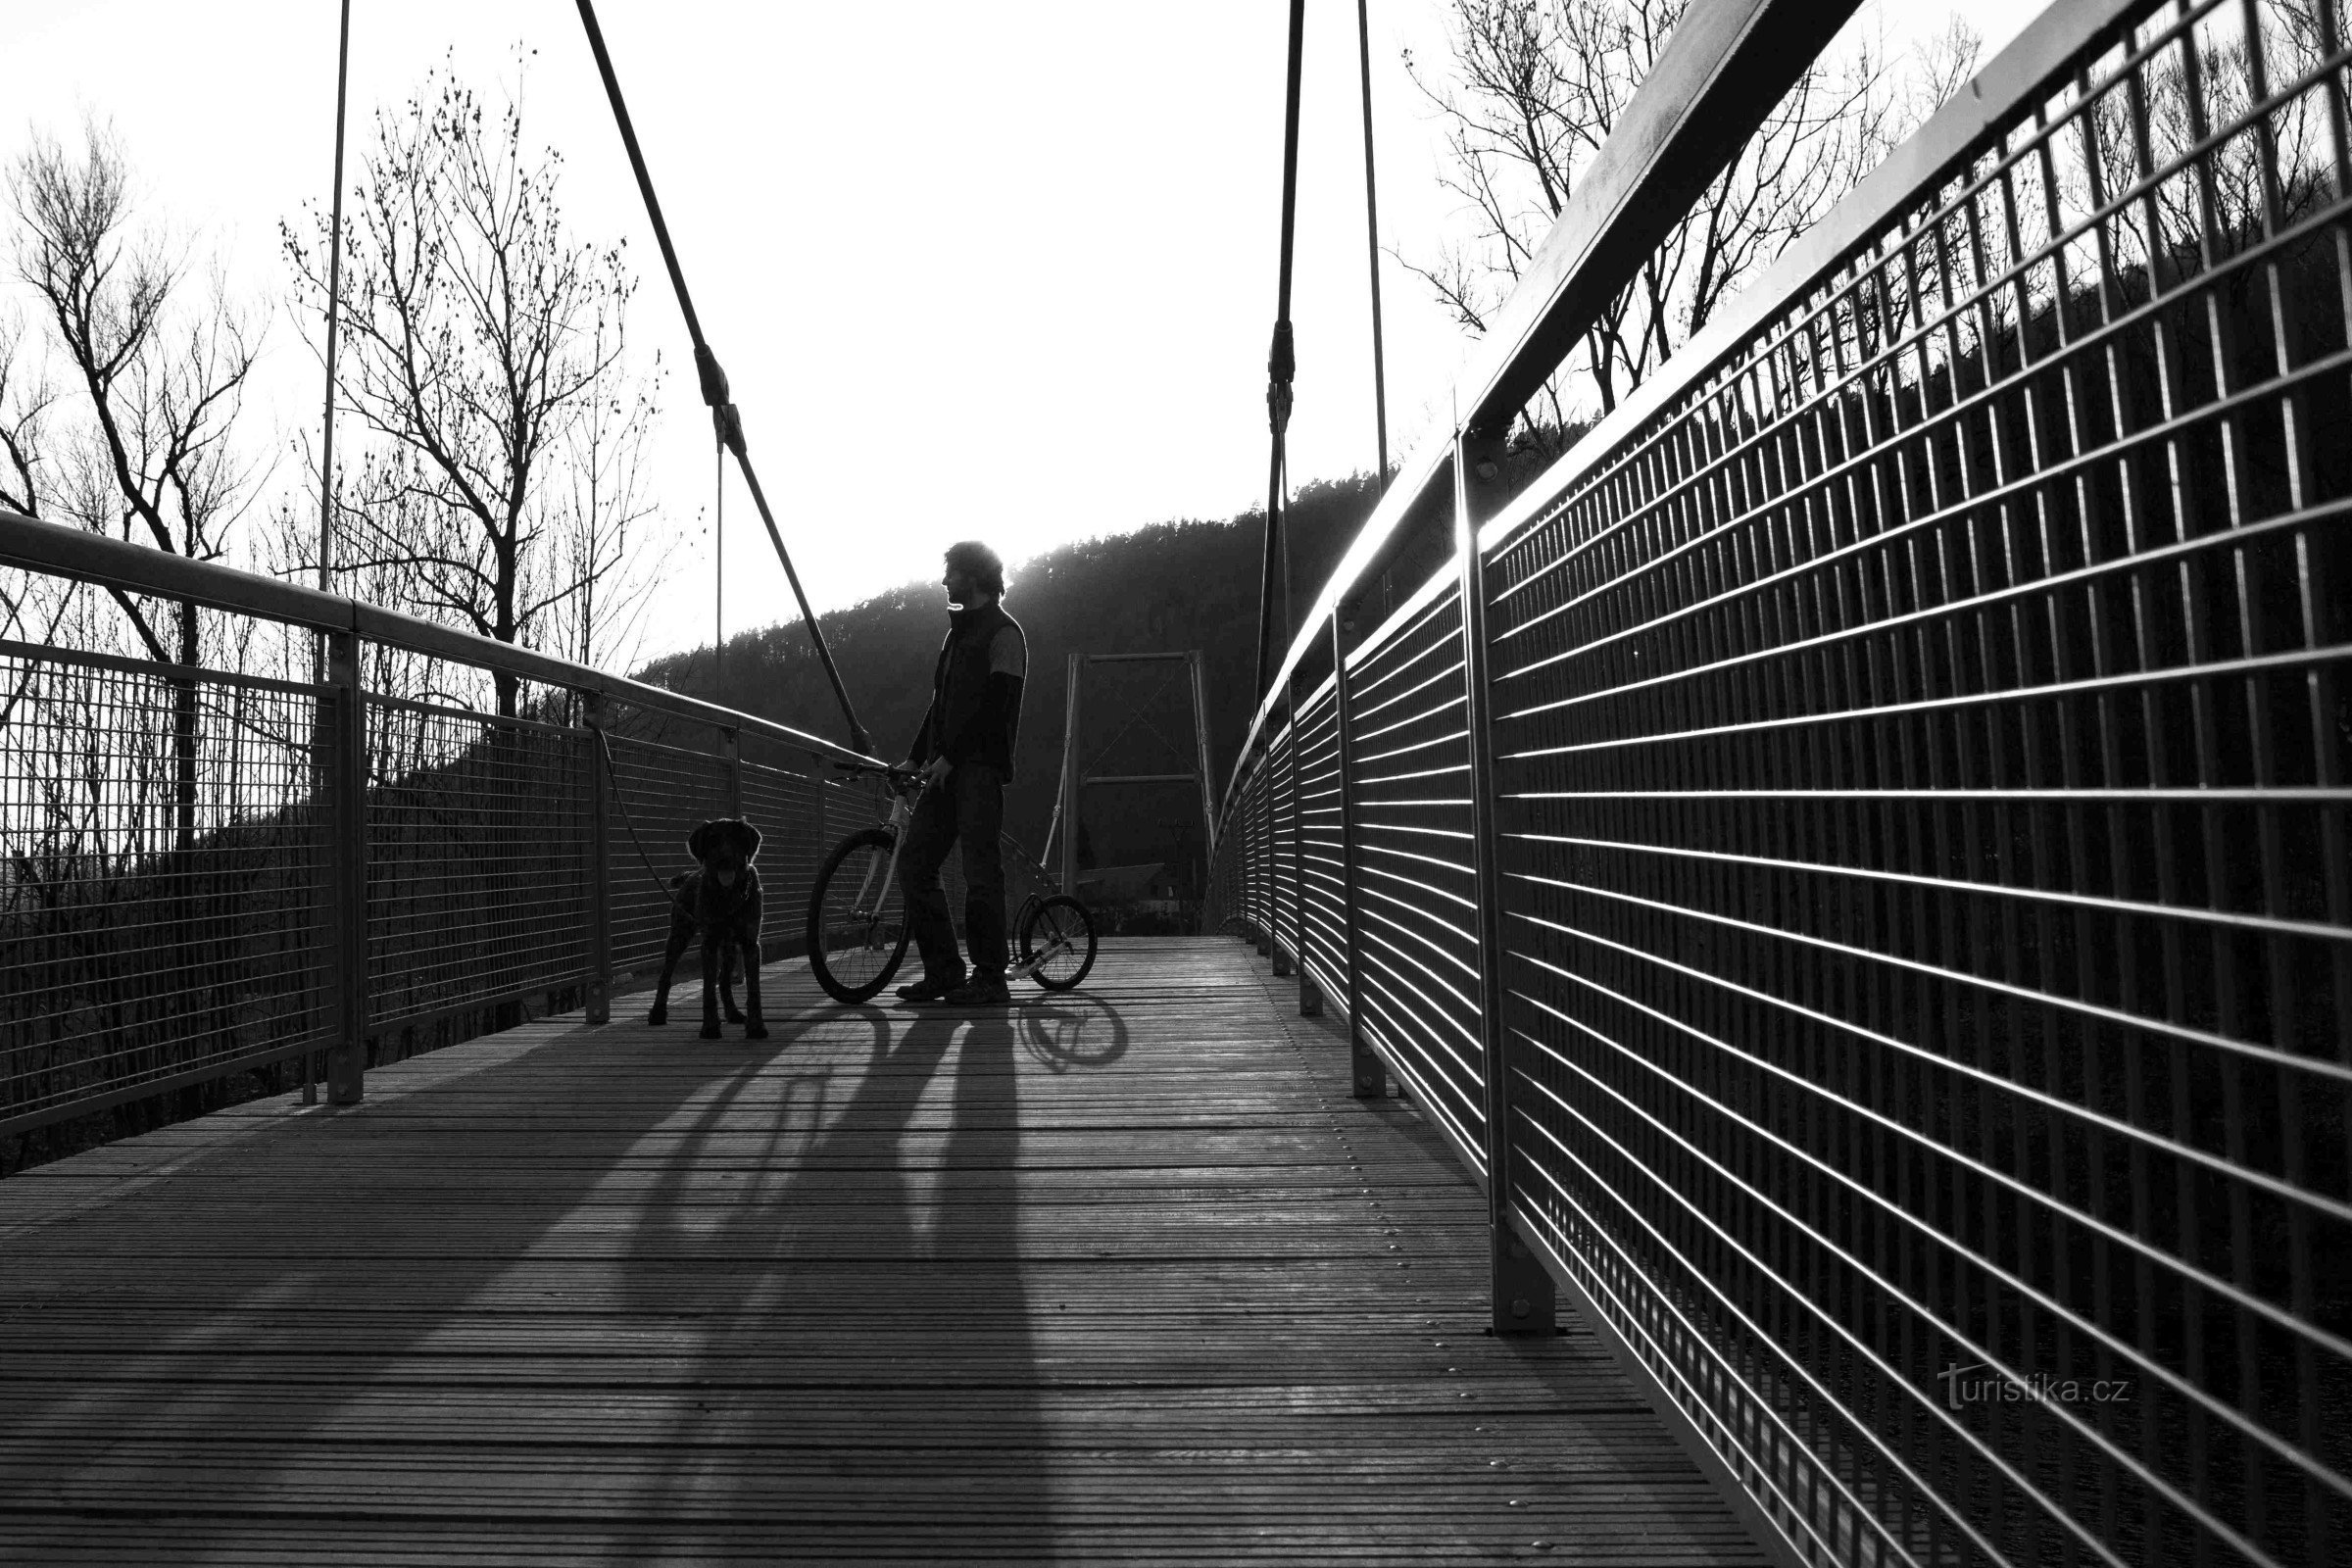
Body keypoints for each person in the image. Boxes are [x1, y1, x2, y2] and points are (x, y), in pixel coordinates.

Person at [895, 541, 1028, 1005]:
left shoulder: (1005, 634)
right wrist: (915, 758)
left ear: (973, 577)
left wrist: (950, 756)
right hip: (945, 769)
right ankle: (946, 972)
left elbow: (997, 709)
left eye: (951, 572)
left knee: (980, 871)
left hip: (977, 772)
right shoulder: (955, 636)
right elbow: (940, 707)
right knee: (915, 863)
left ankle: (989, 977)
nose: (944, 580)